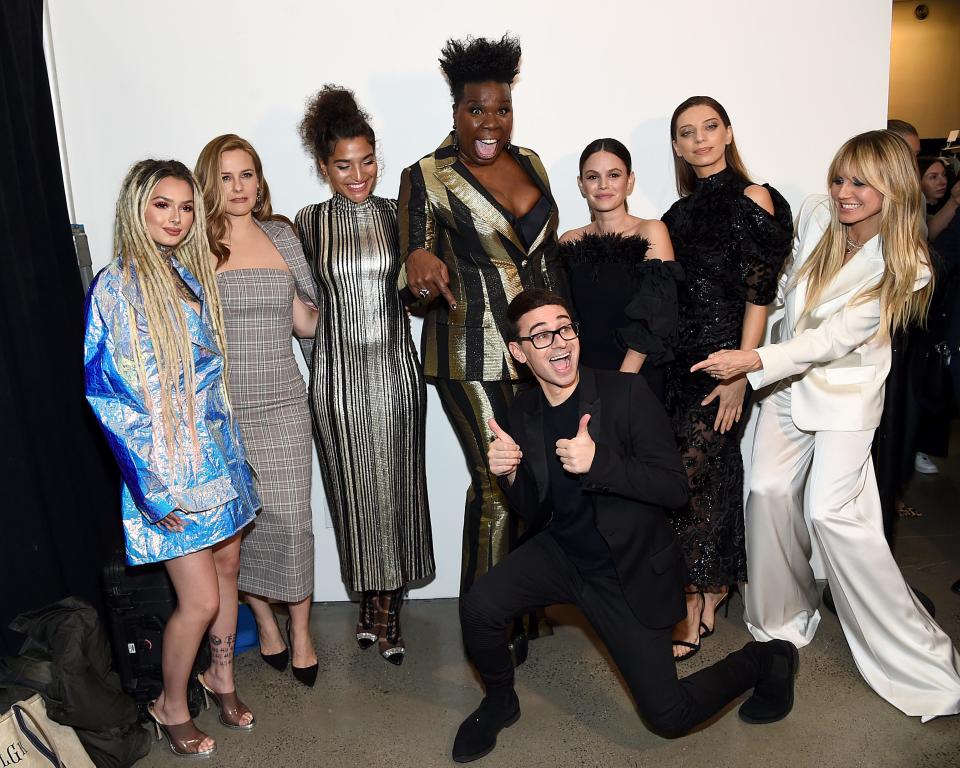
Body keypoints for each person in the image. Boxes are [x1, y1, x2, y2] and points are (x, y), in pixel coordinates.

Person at [452, 288, 799, 763]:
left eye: (565, 327)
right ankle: (499, 700)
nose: (559, 342)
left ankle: (769, 657)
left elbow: (674, 489)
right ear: (518, 352)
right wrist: (511, 473)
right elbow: (537, 508)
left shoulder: (624, 394)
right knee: (479, 608)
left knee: (668, 716)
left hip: (626, 572)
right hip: (563, 554)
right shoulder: (524, 411)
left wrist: (599, 463)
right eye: (541, 334)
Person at [694, 130, 960, 720]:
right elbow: (787, 296)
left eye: (860, 183)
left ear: (892, 187)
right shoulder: (818, 214)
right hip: (787, 388)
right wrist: (754, 351)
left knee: (830, 515)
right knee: (763, 492)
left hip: (843, 398)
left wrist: (753, 361)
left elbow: (836, 338)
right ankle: (783, 621)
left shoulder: (909, 263)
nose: (843, 193)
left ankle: (915, 653)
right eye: (839, 178)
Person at [85, 159, 260, 757]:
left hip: (218, 456)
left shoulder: (186, 275)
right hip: (165, 469)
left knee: (230, 568)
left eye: (186, 207)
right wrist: (152, 490)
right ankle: (171, 704)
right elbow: (112, 399)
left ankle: (221, 678)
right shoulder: (116, 286)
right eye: (163, 205)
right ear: (138, 208)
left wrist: (234, 454)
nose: (177, 218)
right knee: (201, 598)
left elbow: (209, 381)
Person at [398, 34, 566, 655]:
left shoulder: (534, 163)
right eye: (476, 109)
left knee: (536, 478)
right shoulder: (428, 176)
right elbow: (412, 280)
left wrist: (562, 340)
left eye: (500, 108)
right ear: (455, 111)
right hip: (467, 350)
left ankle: (520, 611)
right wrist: (417, 261)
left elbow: (545, 260)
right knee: (494, 485)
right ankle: (487, 629)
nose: (490, 121)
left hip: (537, 349)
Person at [296, 86, 435, 665]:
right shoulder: (306, 223)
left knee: (398, 489)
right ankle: (368, 599)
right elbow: (298, 304)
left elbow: (421, 290)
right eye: (343, 165)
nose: (359, 175)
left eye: (367, 161)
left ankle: (392, 606)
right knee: (352, 495)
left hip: (395, 374)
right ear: (324, 167)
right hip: (334, 379)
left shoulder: (396, 214)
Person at [661, 96, 793, 660]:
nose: (700, 140)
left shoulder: (754, 198)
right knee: (696, 475)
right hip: (678, 362)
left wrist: (741, 370)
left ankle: (692, 602)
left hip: (725, 363)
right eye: (687, 133)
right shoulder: (675, 215)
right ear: (676, 147)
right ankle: (714, 584)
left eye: (710, 127)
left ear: (729, 132)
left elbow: (758, 295)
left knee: (698, 469)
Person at [194, 135, 320, 686]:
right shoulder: (194, 242)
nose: (239, 187)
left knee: (293, 520)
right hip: (223, 409)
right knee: (239, 529)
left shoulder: (281, 235)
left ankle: (304, 632)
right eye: (226, 177)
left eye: (247, 175)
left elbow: (307, 326)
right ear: (209, 183)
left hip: (284, 402)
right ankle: (265, 620)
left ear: (260, 181)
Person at [558, 138, 682, 401]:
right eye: (593, 177)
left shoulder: (651, 231)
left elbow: (658, 316)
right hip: (582, 377)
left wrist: (622, 381)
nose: (603, 185)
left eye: (614, 175)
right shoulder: (569, 241)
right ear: (581, 184)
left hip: (638, 378)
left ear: (630, 180)